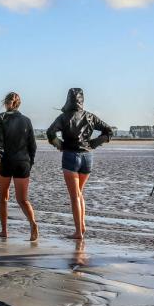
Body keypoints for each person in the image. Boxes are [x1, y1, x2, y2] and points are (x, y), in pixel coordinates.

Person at [46, 88, 113, 240]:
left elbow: (50, 133)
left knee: (75, 195)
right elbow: (109, 131)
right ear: (82, 100)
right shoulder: (89, 116)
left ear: (68, 99)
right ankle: (82, 226)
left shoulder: (63, 117)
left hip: (70, 155)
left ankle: (78, 232)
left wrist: (60, 145)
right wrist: (93, 144)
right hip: (88, 157)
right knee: (79, 193)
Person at [0, 92, 38, 241]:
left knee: (3, 197)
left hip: (6, 162)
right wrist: (30, 163)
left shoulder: (1, 120)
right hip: (23, 163)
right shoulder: (27, 120)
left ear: (6, 103)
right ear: (19, 104)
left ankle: (4, 230)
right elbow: (33, 146)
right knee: (22, 199)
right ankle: (33, 225)